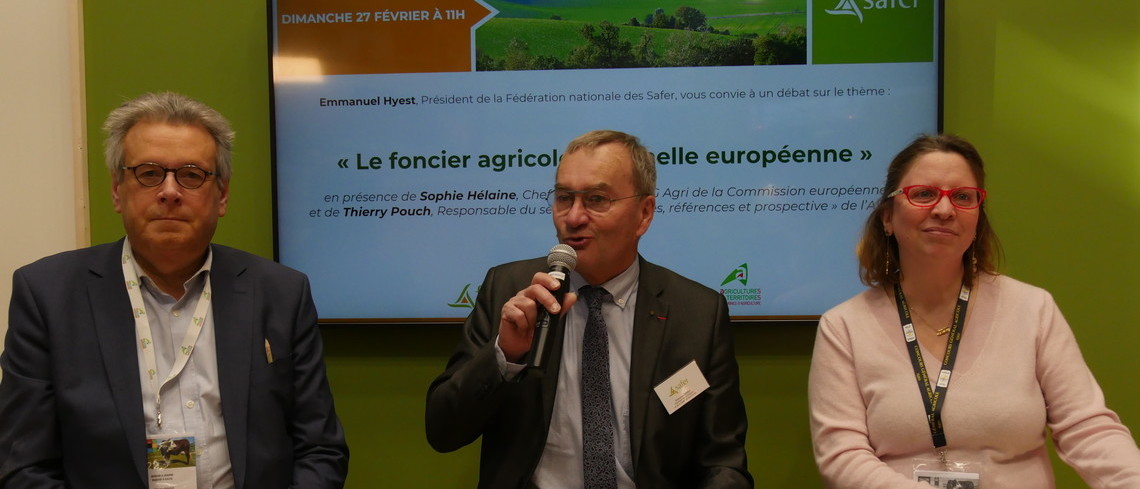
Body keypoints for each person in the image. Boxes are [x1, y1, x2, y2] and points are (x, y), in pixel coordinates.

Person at [0, 92, 349, 488]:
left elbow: (320, 450)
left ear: (222, 195)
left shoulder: (281, 293)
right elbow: (24, 465)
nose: (169, 191)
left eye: (191, 174)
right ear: (117, 189)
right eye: (149, 173)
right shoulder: (47, 295)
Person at [808, 133, 1140, 488]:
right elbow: (841, 454)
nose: (944, 209)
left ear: (978, 217)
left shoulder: (1033, 308)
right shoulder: (844, 326)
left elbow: (1087, 427)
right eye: (924, 194)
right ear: (888, 217)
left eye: (963, 197)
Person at [425, 130, 752, 488]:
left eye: (597, 199)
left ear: (644, 213)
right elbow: (442, 432)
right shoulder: (509, 290)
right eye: (564, 198)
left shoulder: (697, 313)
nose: (574, 217)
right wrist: (504, 356)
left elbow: (723, 461)